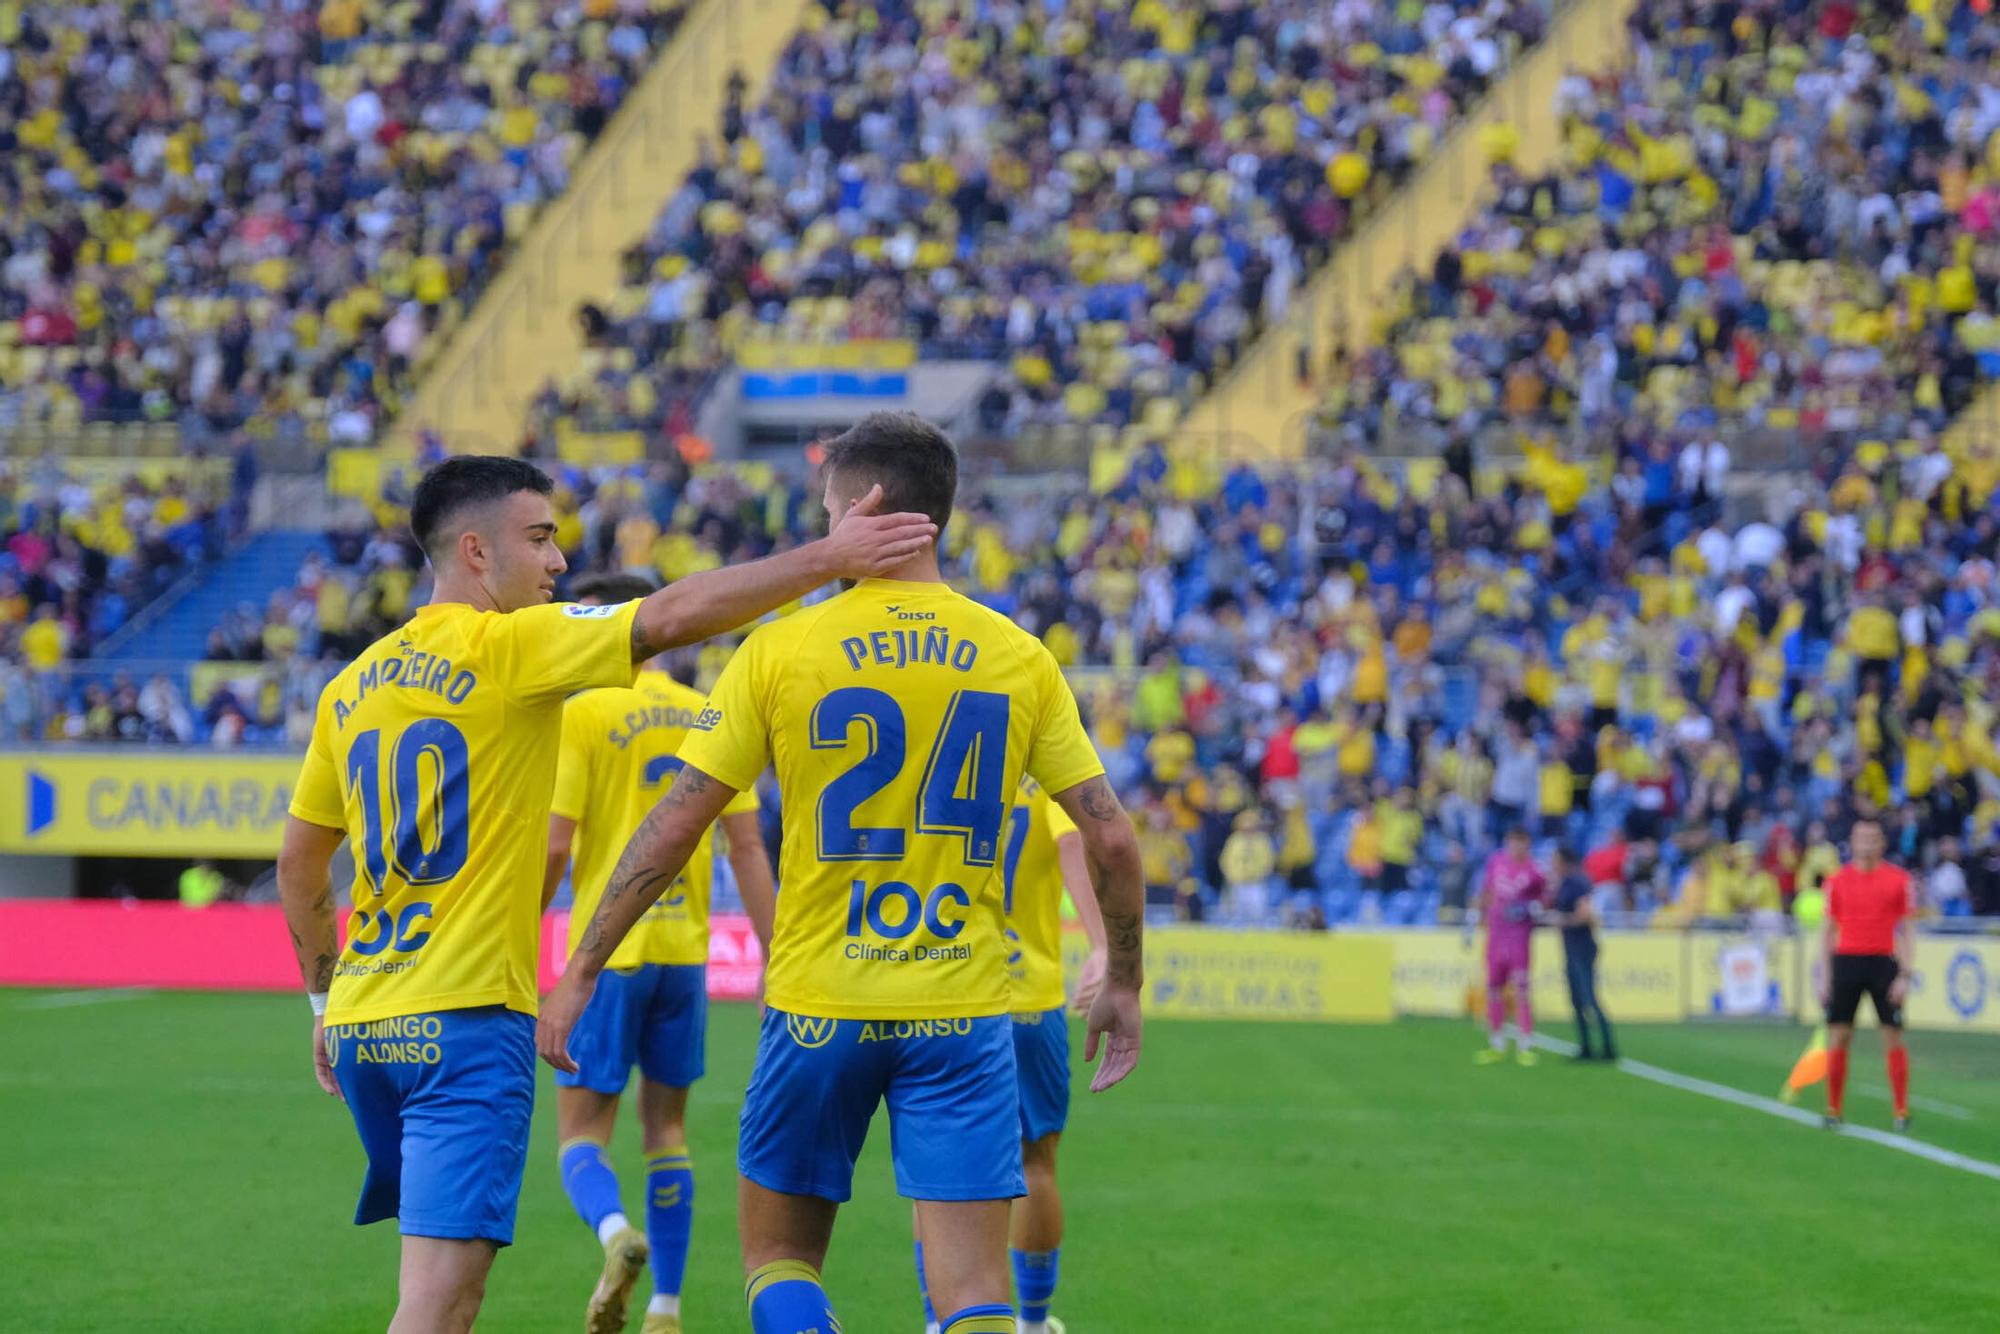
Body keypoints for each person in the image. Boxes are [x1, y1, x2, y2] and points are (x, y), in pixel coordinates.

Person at [274, 455, 935, 1334]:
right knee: (440, 1302)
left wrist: (325, 1001)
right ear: (476, 552)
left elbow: (300, 864)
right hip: (462, 1018)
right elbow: (670, 616)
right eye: (540, 539)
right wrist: (828, 557)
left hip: (366, 1021)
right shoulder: (512, 646)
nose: (558, 561)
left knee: (427, 1288)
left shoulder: (348, 687)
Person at [536, 413, 1147, 1334]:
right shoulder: (1020, 658)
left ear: (861, 507)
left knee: (779, 1260)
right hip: (963, 1008)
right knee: (975, 1294)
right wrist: (1124, 979)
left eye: (827, 510)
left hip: (820, 1002)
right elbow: (1112, 841)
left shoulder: (780, 650)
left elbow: (675, 826)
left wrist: (582, 965)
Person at [542, 573, 779, 1334]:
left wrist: (518, 931)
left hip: (608, 954)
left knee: (581, 1134)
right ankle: (667, 1309)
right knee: (667, 1133)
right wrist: (775, 954)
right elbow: (748, 847)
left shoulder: (583, 711)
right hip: (684, 953)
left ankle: (616, 1234)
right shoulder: (705, 709)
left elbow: (555, 843)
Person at [913, 775, 1109, 1334]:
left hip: (942, 991)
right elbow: (1074, 842)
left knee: (935, 1169)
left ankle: (937, 1323)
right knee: (1035, 1163)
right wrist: (1101, 945)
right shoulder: (1043, 771)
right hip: (1025, 996)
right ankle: (1033, 1322)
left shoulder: (943, 758)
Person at [1818, 818, 1916, 1132]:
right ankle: (1833, 1109)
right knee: (1839, 1035)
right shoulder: (1836, 881)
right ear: (1853, 841)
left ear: (1882, 843)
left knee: (1892, 1034)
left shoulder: (1899, 880)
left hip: (1883, 963)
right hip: (1847, 962)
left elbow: (1908, 930)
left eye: (1873, 838)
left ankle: (1901, 1110)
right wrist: (1824, 975)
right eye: (1862, 837)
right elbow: (1827, 931)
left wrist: (1905, 974)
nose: (1867, 843)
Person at [1476, 826, 1545, 1065]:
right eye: (1512, 841)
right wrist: (1478, 917)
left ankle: (1525, 1046)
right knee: (1493, 987)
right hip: (1496, 935)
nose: (1515, 846)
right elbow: (1486, 892)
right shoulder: (1496, 863)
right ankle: (1496, 1044)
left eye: (1520, 842)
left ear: (1527, 844)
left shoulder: (1535, 871)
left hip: (1519, 937)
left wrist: (1528, 908)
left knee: (1521, 989)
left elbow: (1544, 900)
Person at [1549, 848, 1615, 1061]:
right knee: (1577, 1000)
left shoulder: (1577, 883)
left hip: (1582, 947)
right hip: (1571, 947)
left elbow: (1586, 914)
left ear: (1564, 862)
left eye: (1555, 861)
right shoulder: (1566, 883)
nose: (1553, 865)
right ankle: (1586, 1046)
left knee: (1589, 998)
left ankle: (1608, 1047)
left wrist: (1564, 921)